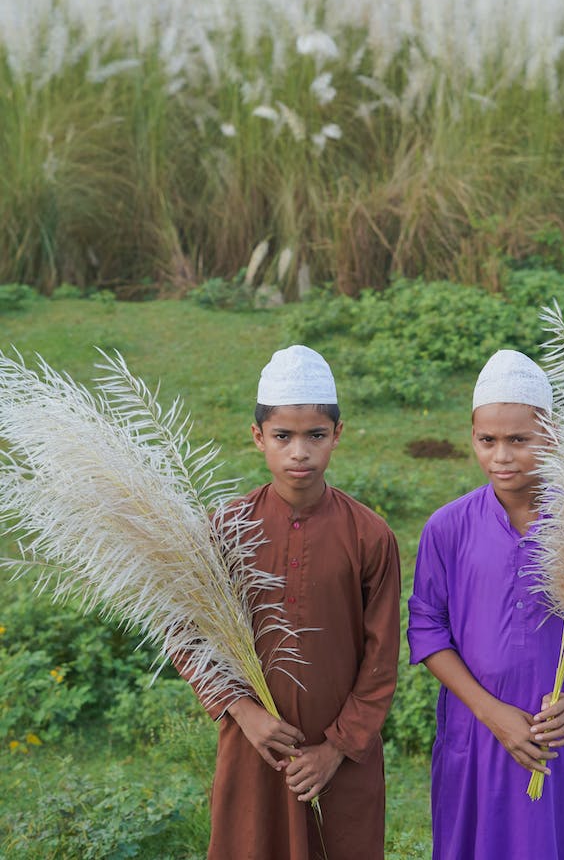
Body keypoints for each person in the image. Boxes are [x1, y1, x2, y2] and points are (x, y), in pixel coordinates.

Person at [407, 349, 564, 860]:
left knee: (557, 841)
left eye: (519, 440)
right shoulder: (448, 526)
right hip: (476, 729)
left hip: (557, 730)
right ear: (472, 437)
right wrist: (492, 714)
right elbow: (426, 630)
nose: (501, 456)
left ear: (550, 437)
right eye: (487, 441)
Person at [182, 345, 401, 860]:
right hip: (255, 745)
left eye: (315, 436)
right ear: (258, 437)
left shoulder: (369, 535)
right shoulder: (225, 530)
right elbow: (188, 634)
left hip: (343, 759)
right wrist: (246, 714)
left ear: (337, 435)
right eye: (283, 436)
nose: (299, 452)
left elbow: (381, 655)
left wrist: (336, 749)